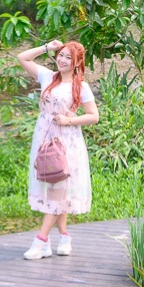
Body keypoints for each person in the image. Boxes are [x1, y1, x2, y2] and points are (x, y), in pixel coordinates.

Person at [16, 39, 99, 260]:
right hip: (44, 138)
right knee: (54, 184)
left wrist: (69, 120)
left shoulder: (81, 86)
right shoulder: (47, 77)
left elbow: (94, 116)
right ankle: (64, 236)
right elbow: (22, 58)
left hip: (67, 141)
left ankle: (41, 240)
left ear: (77, 62)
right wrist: (47, 47)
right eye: (61, 55)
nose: (62, 60)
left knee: (57, 186)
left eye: (68, 58)